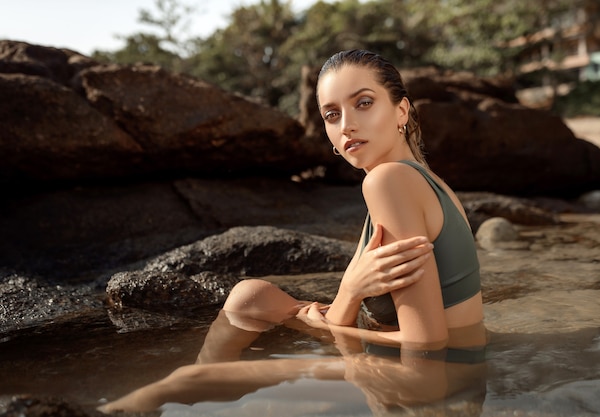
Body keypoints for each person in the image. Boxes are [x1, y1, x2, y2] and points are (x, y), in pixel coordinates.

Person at [98, 49, 486, 414]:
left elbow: (427, 353)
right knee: (251, 297)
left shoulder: (388, 181)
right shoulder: (420, 179)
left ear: (401, 110)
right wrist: (348, 294)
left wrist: (346, 303)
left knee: (185, 379)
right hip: (433, 362)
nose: (347, 124)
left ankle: (200, 390)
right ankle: (216, 397)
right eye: (332, 114)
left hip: (430, 380)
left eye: (363, 103)